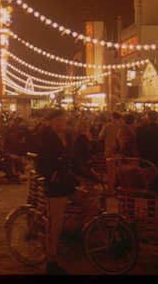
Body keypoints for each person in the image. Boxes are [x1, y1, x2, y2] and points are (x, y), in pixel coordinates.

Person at [37, 110, 100, 275]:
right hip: (56, 187)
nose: (61, 123)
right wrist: (53, 175)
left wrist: (91, 175)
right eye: (57, 120)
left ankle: (75, 232)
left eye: (63, 120)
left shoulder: (65, 138)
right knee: (54, 225)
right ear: (51, 122)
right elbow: (42, 163)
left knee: (89, 202)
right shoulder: (46, 139)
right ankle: (51, 262)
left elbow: (73, 160)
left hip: (68, 184)